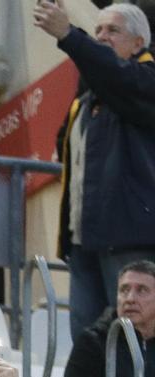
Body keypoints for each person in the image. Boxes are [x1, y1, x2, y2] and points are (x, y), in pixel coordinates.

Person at [37, 0, 155, 335]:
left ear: (138, 44)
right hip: (84, 240)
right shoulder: (88, 99)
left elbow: (118, 77)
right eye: (98, 30)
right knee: (89, 343)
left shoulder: (145, 79)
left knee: (135, 338)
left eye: (113, 30)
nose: (102, 37)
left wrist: (70, 36)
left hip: (130, 237)